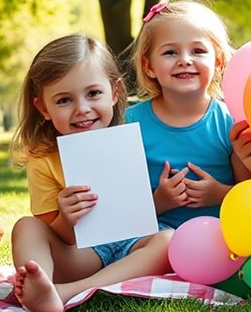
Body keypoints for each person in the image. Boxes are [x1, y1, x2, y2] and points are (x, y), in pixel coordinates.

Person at [9, 35, 173, 312]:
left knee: (169, 241)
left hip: (133, 246)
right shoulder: (43, 159)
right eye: (64, 100)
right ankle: (41, 283)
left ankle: (62, 294)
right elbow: (59, 236)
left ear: (116, 92)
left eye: (94, 93)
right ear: (43, 108)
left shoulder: (135, 135)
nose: (82, 109)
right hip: (81, 254)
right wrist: (66, 218)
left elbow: (136, 213)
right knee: (25, 227)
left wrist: (162, 200)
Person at [128, 0, 251, 230]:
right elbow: (119, 208)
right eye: (170, 52)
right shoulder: (129, 123)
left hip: (223, 241)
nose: (185, 60)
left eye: (198, 50)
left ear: (218, 61)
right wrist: (159, 201)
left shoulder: (230, 121)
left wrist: (221, 194)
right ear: (149, 66)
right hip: (151, 241)